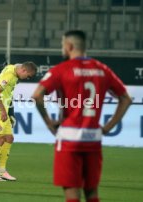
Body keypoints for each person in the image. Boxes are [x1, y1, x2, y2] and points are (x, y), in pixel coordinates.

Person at [32, 30, 131, 202]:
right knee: (92, 192)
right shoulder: (102, 69)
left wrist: (49, 123)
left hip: (69, 138)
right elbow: (126, 99)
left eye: (63, 45)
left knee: (72, 193)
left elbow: (37, 95)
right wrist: (108, 127)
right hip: (93, 138)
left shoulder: (62, 69)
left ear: (69, 46)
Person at [0, 62, 37, 181]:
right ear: (23, 70)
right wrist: (3, 111)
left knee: (9, 138)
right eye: (28, 76)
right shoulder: (9, 75)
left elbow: (16, 66)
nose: (27, 78)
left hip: (3, 109)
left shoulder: (13, 69)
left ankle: (2, 171)